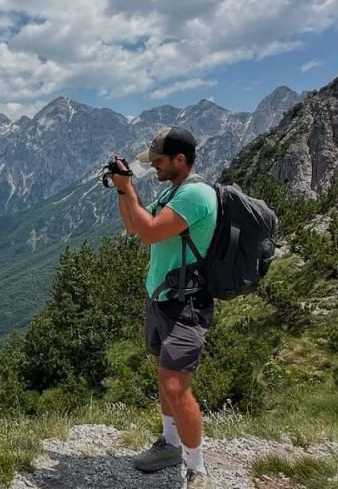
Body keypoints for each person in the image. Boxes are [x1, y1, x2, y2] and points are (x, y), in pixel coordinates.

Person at [110, 126, 217, 489]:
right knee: (162, 376)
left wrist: (129, 189)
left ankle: (197, 467)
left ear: (180, 160)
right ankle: (171, 446)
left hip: (186, 304)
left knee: (175, 386)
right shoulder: (174, 192)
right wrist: (124, 190)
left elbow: (152, 231)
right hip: (161, 299)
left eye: (158, 161)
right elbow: (134, 226)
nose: (153, 166)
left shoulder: (196, 195)